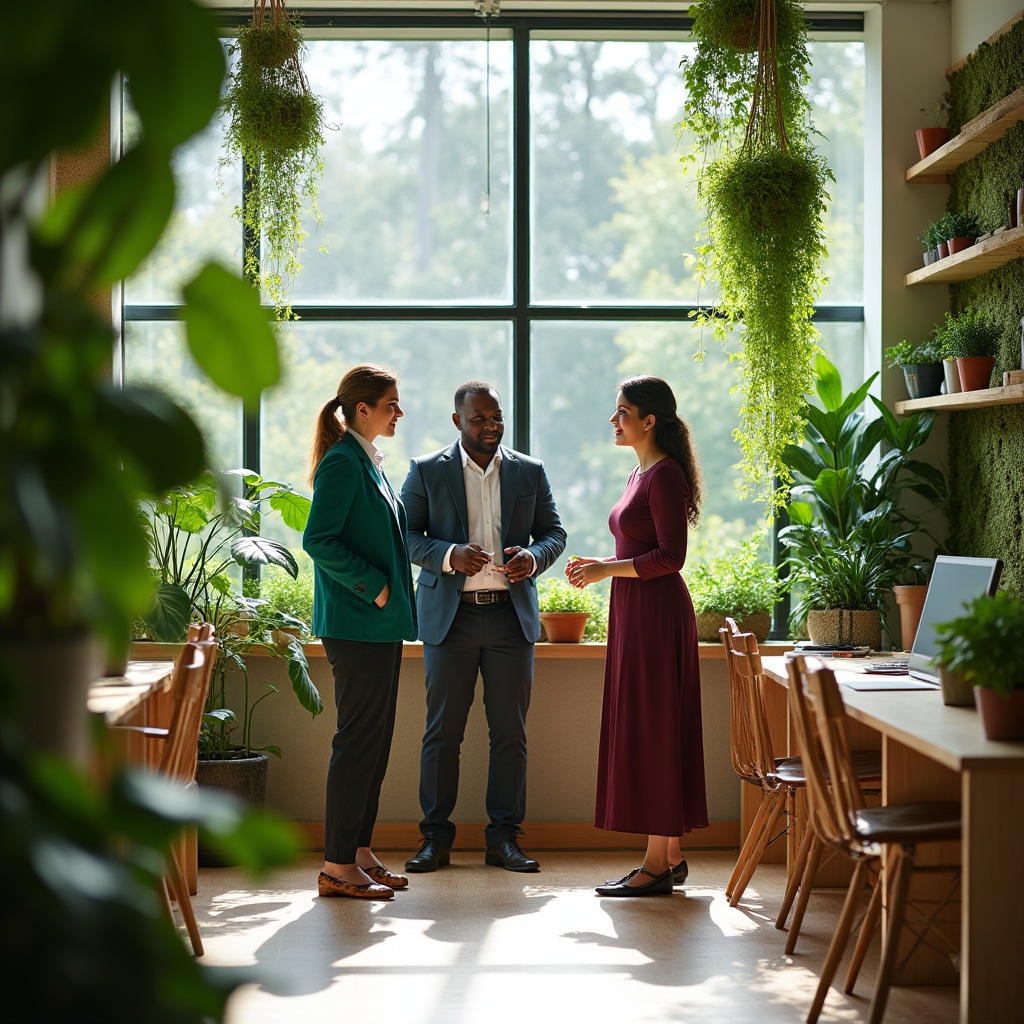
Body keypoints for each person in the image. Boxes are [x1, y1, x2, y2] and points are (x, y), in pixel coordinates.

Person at [400, 380, 566, 874]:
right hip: (450, 621)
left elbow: (553, 532)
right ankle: (435, 840)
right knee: (441, 734)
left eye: (497, 418)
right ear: (458, 422)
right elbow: (405, 537)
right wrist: (450, 556)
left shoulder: (529, 471)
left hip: (511, 620)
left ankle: (504, 839)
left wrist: (533, 560)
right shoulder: (427, 470)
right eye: (480, 419)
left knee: (510, 734)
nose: (491, 426)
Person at [566, 375, 709, 896]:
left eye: (622, 411)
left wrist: (606, 569)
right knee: (651, 725)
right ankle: (669, 854)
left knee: (654, 730)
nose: (614, 419)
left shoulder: (664, 475)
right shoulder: (639, 474)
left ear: (649, 421)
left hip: (656, 617)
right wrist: (603, 566)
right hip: (636, 612)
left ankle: (655, 866)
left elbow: (672, 557)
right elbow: (642, 548)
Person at [302, 364, 417, 901]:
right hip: (357, 623)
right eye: (391, 403)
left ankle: (359, 853)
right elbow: (318, 539)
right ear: (362, 409)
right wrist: (373, 586)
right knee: (357, 741)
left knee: (374, 739)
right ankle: (336, 866)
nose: (399, 412)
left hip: (378, 625)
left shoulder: (368, 461)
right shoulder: (343, 463)